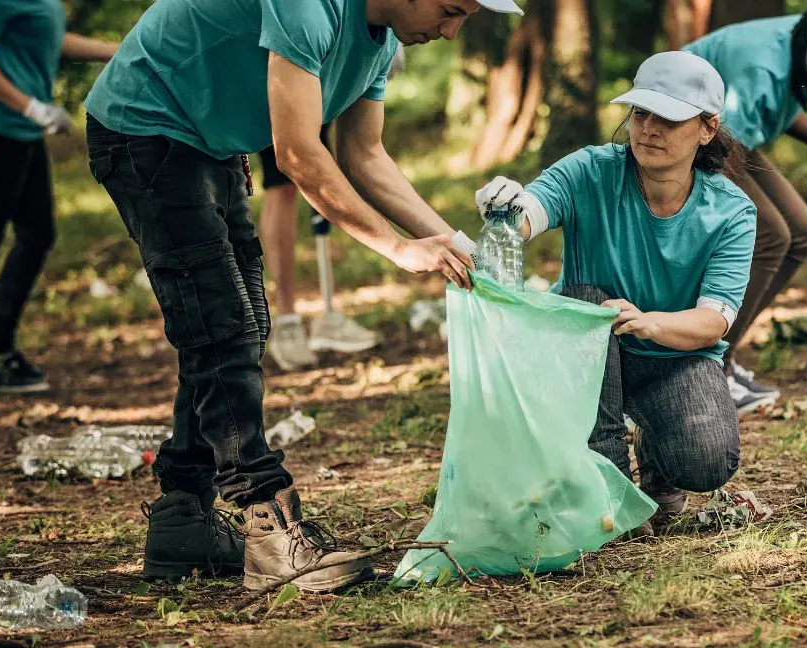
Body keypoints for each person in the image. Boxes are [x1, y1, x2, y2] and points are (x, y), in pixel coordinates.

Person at [83, 0, 519, 592]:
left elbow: (364, 154)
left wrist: (453, 246)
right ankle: (266, 520)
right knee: (220, 325)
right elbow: (295, 153)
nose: (451, 31)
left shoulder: (382, 41)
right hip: (145, 123)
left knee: (238, 322)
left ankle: (182, 519)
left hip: (210, 139)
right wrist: (396, 247)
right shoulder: (311, 8)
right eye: (449, 10)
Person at [474, 51, 757, 536]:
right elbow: (532, 210)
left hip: (673, 357)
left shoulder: (732, 212)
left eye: (668, 119)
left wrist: (649, 322)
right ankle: (608, 484)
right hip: (586, 352)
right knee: (586, 298)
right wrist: (506, 208)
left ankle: (657, 458)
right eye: (641, 113)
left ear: (707, 128)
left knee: (708, 460)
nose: (649, 129)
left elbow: (713, 321)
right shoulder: (591, 170)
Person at [683, 0, 807, 413]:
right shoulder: (761, 63)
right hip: (683, 135)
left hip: (726, 135)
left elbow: (775, 106)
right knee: (770, 234)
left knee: (802, 232)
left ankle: (722, 353)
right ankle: (706, 367)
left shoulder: (798, 39)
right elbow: (722, 144)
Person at [0, 0, 117, 392]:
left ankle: (1, 346)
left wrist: (116, 50)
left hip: (22, 132)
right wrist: (31, 107)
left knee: (38, 234)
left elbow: (48, 36)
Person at [256, 48, 406, 370]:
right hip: (273, 58)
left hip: (322, 61)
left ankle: (327, 314)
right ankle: (286, 321)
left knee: (321, 162)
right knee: (283, 181)